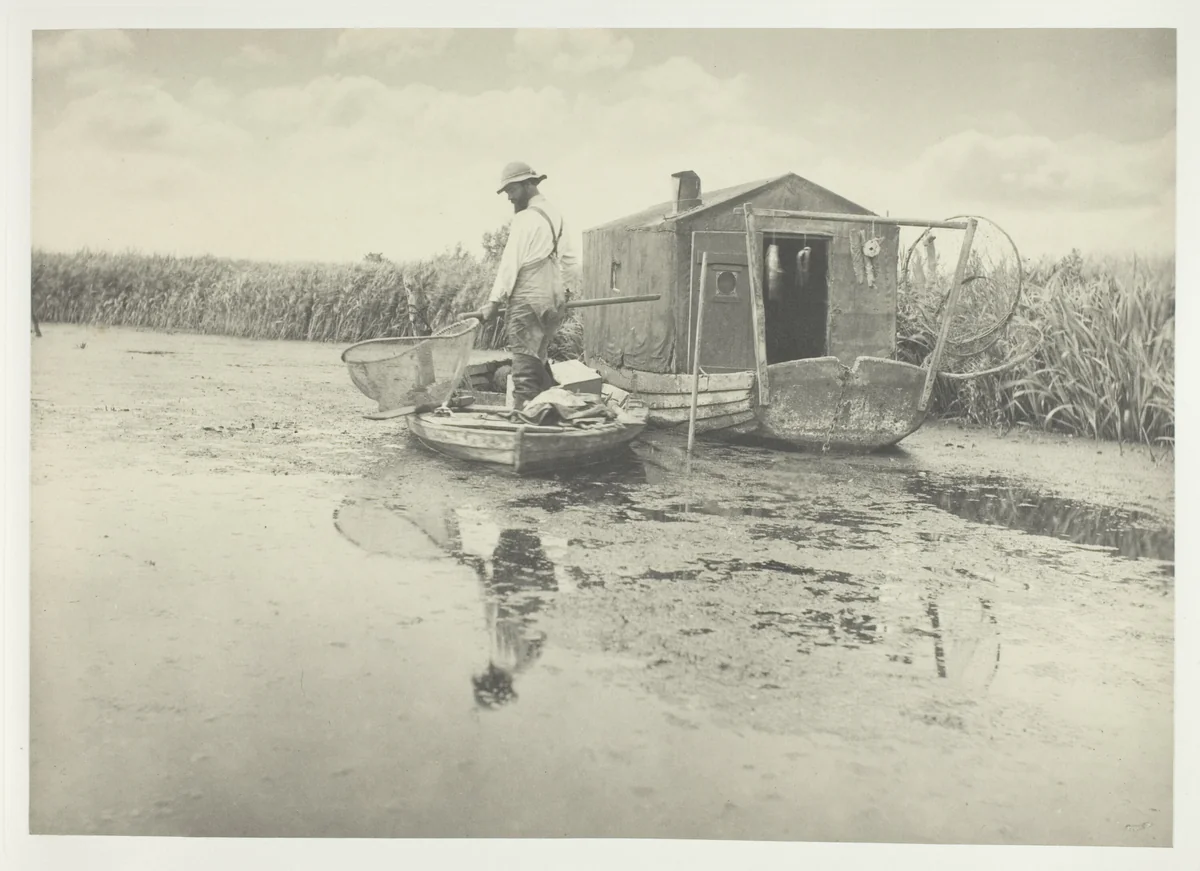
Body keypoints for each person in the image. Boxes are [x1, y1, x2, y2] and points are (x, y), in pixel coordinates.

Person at [476, 161, 580, 409]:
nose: (510, 197)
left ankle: (524, 425)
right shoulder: (557, 215)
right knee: (539, 359)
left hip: (529, 300)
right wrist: (565, 293)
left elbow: (509, 264)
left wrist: (493, 302)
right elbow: (569, 261)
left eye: (511, 190)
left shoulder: (525, 218)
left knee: (524, 367)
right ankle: (549, 415)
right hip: (552, 301)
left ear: (527, 185)